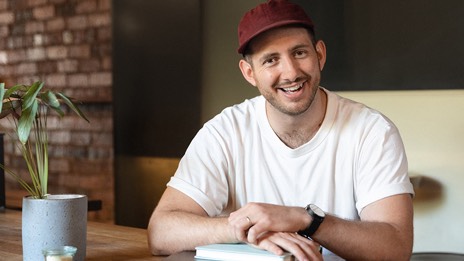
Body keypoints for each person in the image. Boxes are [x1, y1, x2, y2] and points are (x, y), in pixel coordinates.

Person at [147, 0, 414, 260]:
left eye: (299, 52)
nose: (290, 72)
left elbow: (395, 247)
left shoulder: (373, 131)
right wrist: (247, 228)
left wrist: (306, 220)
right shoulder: (224, 132)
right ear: (249, 73)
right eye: (271, 60)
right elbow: (161, 232)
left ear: (319, 54)